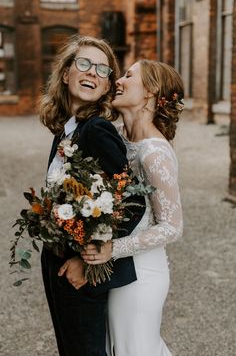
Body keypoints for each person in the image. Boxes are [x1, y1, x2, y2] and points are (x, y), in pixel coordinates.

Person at [39, 35, 145, 356]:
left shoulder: (97, 129)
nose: (92, 73)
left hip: (80, 269)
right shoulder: (67, 129)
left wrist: (88, 259)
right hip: (55, 258)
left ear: (107, 86)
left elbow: (134, 198)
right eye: (84, 64)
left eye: (102, 70)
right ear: (67, 72)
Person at [82, 59, 184, 355]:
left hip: (142, 274)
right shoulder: (117, 137)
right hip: (117, 269)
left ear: (150, 91)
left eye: (129, 75)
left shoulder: (154, 153)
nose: (118, 80)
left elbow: (172, 227)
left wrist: (111, 249)